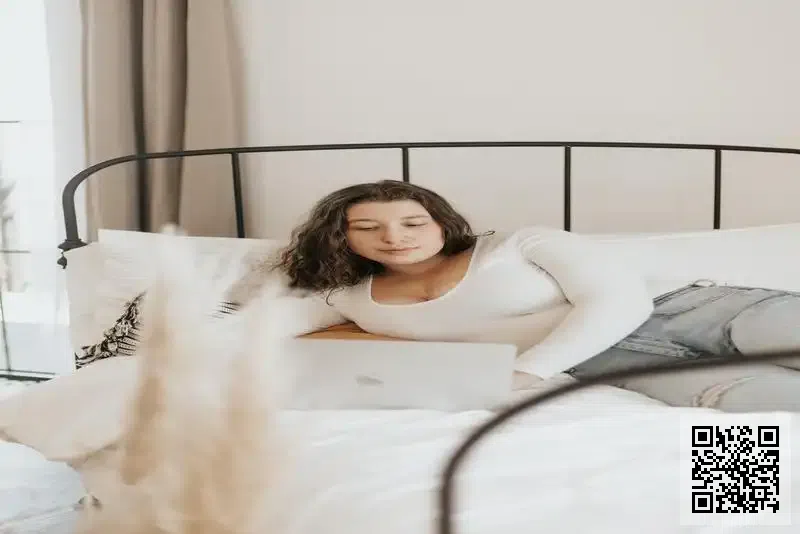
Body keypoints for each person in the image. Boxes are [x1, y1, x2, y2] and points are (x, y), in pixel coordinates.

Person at [274, 179, 800, 412]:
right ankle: (755, 512)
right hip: (612, 363)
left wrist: (528, 372)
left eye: (413, 222)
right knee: (749, 409)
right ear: (341, 237)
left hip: (697, 310)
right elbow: (251, 325)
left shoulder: (522, 242)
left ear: (441, 223)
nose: (394, 237)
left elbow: (621, 301)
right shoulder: (346, 298)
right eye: (368, 227)